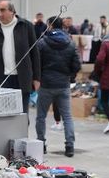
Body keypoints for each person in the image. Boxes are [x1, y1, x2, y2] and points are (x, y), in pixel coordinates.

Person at [0, 0, 40, 114]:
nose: (0, 14)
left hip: (22, 79)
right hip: (1, 79)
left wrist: (37, 78)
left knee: (22, 117)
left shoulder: (26, 26)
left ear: (12, 11)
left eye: (3, 10)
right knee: (3, 117)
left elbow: (35, 53)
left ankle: (23, 133)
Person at [35, 16, 81, 157]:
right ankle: (69, 147)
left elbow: (36, 64)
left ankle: (41, 144)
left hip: (46, 85)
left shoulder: (42, 43)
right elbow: (77, 65)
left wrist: (38, 78)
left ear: (50, 25)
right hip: (63, 84)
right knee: (67, 117)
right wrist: (70, 76)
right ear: (62, 26)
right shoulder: (71, 43)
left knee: (41, 116)